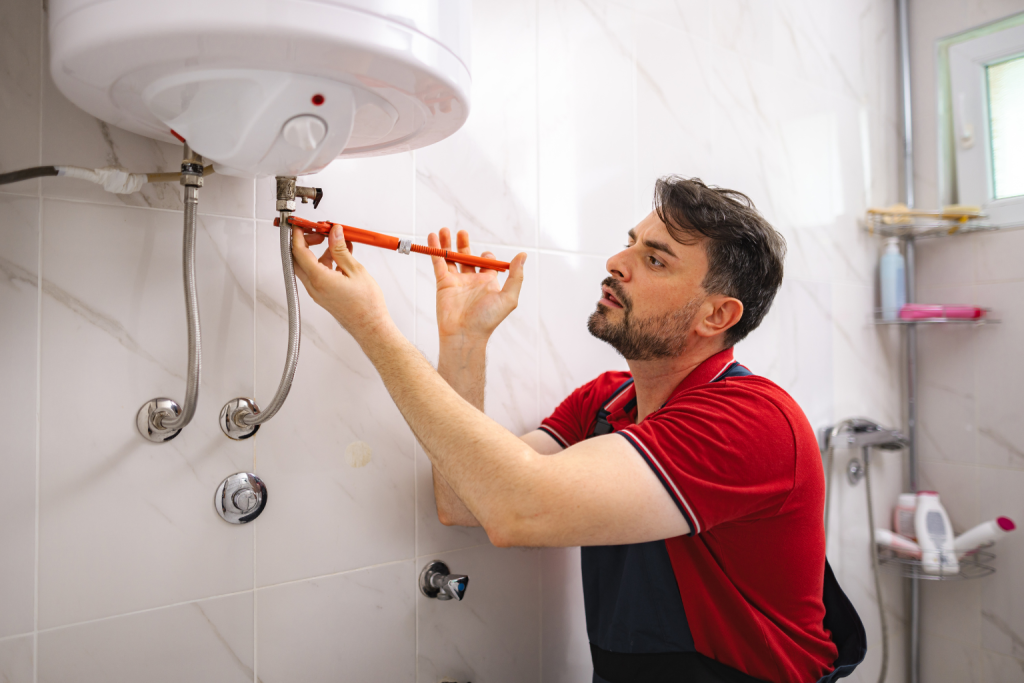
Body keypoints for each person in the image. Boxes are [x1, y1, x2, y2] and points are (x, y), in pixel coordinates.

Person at [292, 176, 848, 683]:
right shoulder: (607, 400)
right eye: (631, 241)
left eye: (654, 260)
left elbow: (518, 509)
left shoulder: (751, 421)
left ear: (717, 317)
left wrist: (370, 325)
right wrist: (464, 342)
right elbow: (467, 503)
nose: (616, 261)